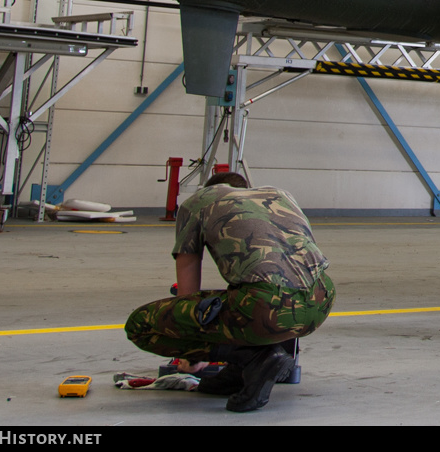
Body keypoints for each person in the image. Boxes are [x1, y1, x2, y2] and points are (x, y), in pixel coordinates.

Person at [123, 171, 334, 412]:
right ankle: (243, 368)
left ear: (208, 187)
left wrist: (193, 356)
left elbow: (187, 289)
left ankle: (252, 358)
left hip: (266, 306)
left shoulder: (198, 201)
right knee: (242, 298)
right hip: (320, 300)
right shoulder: (279, 194)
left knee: (139, 326)